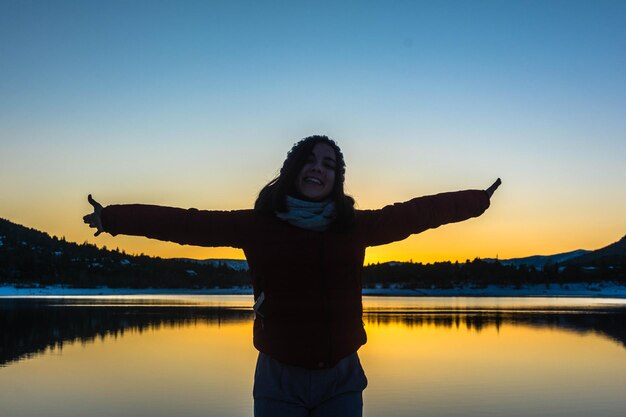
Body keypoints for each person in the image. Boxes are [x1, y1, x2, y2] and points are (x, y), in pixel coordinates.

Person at [84, 134, 501, 417]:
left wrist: (477, 200)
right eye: (309, 161)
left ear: (337, 178)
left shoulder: (354, 226)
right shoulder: (258, 226)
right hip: (278, 378)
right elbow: (188, 224)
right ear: (293, 169)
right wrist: (114, 217)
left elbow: (418, 213)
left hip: (340, 378)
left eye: (329, 164)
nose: (318, 169)